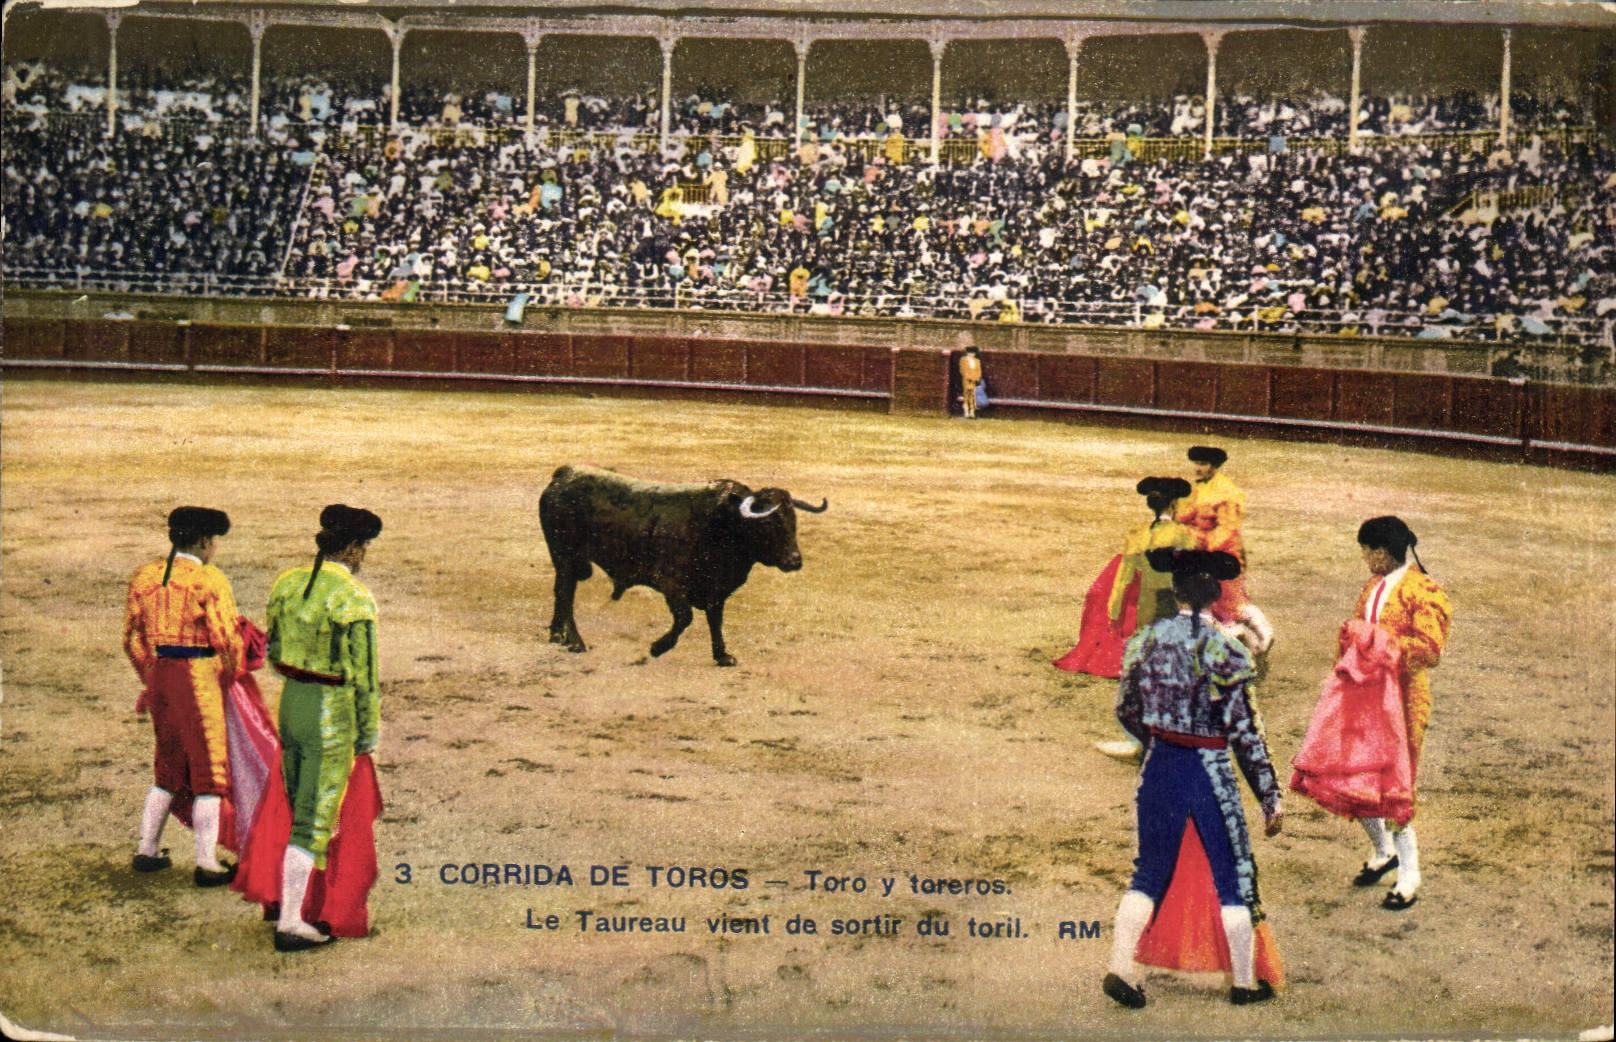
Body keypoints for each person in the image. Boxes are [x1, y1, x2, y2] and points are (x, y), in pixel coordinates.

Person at [1103, 548, 1283, 1009]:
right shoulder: (1227, 650)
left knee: (1148, 872)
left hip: (1161, 765)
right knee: (1232, 876)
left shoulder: (1146, 640)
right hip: (1209, 771)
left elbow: (1125, 707)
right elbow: (1247, 734)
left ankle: (1121, 969)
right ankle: (1243, 983)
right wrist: (1269, 795)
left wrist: (1157, 739)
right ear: (1214, 594)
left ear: (1177, 591)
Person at [264, 504, 383, 951]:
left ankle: (293, 905)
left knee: (298, 806)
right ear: (352, 548)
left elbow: (274, 652)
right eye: (364, 547)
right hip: (330, 711)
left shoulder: (287, 583)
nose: (364, 555)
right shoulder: (353, 597)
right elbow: (365, 678)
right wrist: (367, 733)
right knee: (314, 820)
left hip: (291, 701)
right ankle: (293, 921)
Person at [123, 506, 244, 886]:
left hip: (160, 675)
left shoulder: (145, 576)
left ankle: (147, 849)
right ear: (206, 542)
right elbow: (226, 640)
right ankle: (207, 863)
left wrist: (152, 677)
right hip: (196, 677)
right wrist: (231, 674)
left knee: (168, 766)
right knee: (209, 772)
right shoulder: (208, 580)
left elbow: (131, 638)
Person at [1340, 516, 1451, 910]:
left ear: (1382, 553)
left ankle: (1410, 875)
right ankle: (1383, 850)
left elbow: (1429, 649)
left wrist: (1377, 646)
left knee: (1395, 786)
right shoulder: (1375, 585)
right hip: (1366, 694)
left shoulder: (1422, 590)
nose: (1365, 558)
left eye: (1367, 551)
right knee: (1357, 774)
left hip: (1402, 700)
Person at [1058, 477, 1194, 687]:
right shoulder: (1184, 533)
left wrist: (1114, 609)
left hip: (1146, 599)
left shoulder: (1137, 533)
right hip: (1171, 596)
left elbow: (1124, 576)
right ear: (1174, 503)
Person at [1176, 446, 1251, 623]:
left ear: (1214, 466)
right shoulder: (1197, 487)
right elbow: (1182, 515)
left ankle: (1261, 635)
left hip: (1223, 554)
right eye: (1196, 463)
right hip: (1200, 551)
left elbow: (1227, 530)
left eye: (1203, 464)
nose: (1197, 468)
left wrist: (1198, 546)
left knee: (1227, 606)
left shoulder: (1227, 492)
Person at [958, 347, 983, 419]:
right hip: (967, 380)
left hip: (974, 380)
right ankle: (966, 411)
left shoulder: (977, 361)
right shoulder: (963, 360)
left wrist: (977, 378)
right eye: (970, 353)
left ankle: (972, 412)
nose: (972, 354)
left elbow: (979, 371)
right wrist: (969, 377)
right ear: (967, 353)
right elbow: (962, 370)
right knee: (966, 395)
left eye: (973, 353)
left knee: (972, 396)